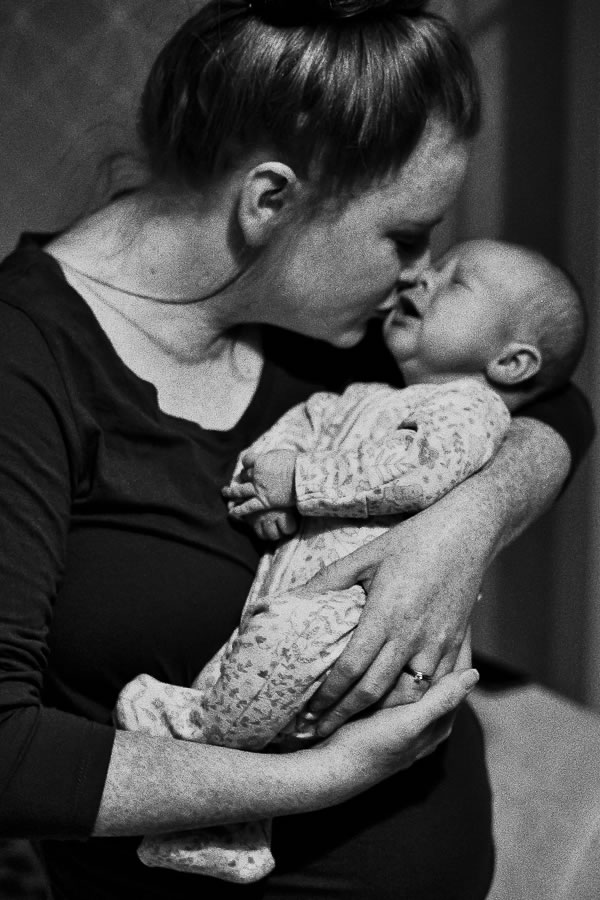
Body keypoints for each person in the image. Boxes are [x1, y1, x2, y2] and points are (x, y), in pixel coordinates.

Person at [0, 1, 593, 899]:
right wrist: (327, 777)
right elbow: (8, 753)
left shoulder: (327, 320)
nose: (419, 276)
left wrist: (466, 525)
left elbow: (551, 398)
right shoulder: (26, 362)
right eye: (404, 236)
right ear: (271, 200)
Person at [116, 238, 586, 883]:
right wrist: (261, 487)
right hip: (287, 583)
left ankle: (181, 729)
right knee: (245, 672)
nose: (419, 276)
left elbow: (417, 470)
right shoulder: (354, 396)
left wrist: (301, 481)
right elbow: (291, 435)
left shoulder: (470, 409)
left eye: (455, 281)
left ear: (511, 362)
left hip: (356, 608)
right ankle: (226, 826)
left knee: (269, 671)